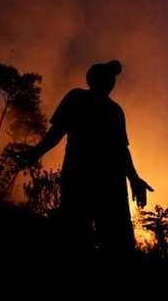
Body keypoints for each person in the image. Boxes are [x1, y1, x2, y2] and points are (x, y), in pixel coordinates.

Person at [16, 59, 153, 257]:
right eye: (108, 77)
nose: (112, 81)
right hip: (86, 182)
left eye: (112, 78)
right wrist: (35, 153)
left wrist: (135, 179)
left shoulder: (113, 110)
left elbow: (121, 150)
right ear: (94, 80)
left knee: (111, 243)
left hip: (101, 183)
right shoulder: (80, 99)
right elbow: (57, 132)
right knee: (78, 239)